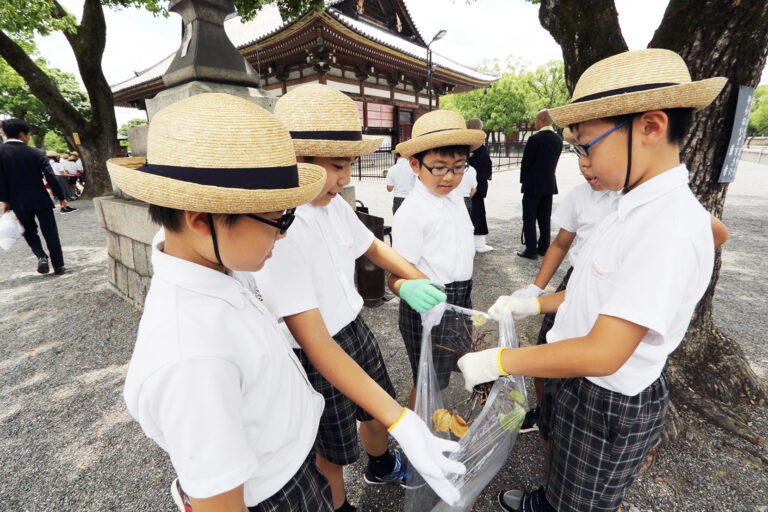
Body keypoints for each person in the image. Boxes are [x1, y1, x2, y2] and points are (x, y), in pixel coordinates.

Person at [457, 49, 727, 512]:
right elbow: (593, 292)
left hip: (605, 397)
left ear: (650, 127)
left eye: (586, 145)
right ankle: (548, 498)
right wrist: (533, 304)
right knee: (561, 467)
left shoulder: (668, 228)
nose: (582, 159)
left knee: (581, 500)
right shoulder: (628, 203)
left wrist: (501, 360)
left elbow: (605, 352)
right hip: (574, 374)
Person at [253, 84, 465, 512]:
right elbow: (313, 339)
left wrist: (420, 279)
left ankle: (381, 463)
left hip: (352, 327)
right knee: (331, 445)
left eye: (349, 164)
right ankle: (339, 504)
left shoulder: (333, 205)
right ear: (293, 161)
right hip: (314, 347)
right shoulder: (280, 231)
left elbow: (372, 246)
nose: (346, 178)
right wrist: (406, 419)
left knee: (376, 410)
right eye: (336, 166)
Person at [390, 109, 486, 408]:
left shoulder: (456, 198)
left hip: (460, 296)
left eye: (458, 168)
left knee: (452, 369)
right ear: (415, 165)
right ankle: (415, 434)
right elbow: (398, 271)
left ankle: (434, 423)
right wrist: (409, 289)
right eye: (440, 168)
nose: (450, 177)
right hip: (428, 302)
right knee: (427, 377)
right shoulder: (412, 211)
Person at [0, 118, 69, 275]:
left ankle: (41, 256)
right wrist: (61, 197)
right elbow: (50, 176)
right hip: (41, 199)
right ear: (21, 134)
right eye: (29, 134)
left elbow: (1, 178)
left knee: (29, 231)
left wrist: (5, 200)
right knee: (50, 232)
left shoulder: (1, 152)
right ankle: (59, 265)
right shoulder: (37, 152)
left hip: (18, 201)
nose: (29, 137)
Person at [518, 110, 562, 259]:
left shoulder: (535, 139)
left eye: (536, 120)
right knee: (544, 217)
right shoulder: (558, 139)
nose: (535, 123)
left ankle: (531, 250)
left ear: (542, 120)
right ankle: (544, 247)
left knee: (529, 218)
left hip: (533, 184)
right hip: (549, 183)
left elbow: (526, 162)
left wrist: (523, 180)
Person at [467, 118, 494, 253]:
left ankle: (470, 242)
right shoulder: (478, 146)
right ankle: (478, 244)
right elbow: (484, 168)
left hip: (465, 185)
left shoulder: (465, 144)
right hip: (475, 185)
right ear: (478, 129)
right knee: (477, 214)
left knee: (469, 213)